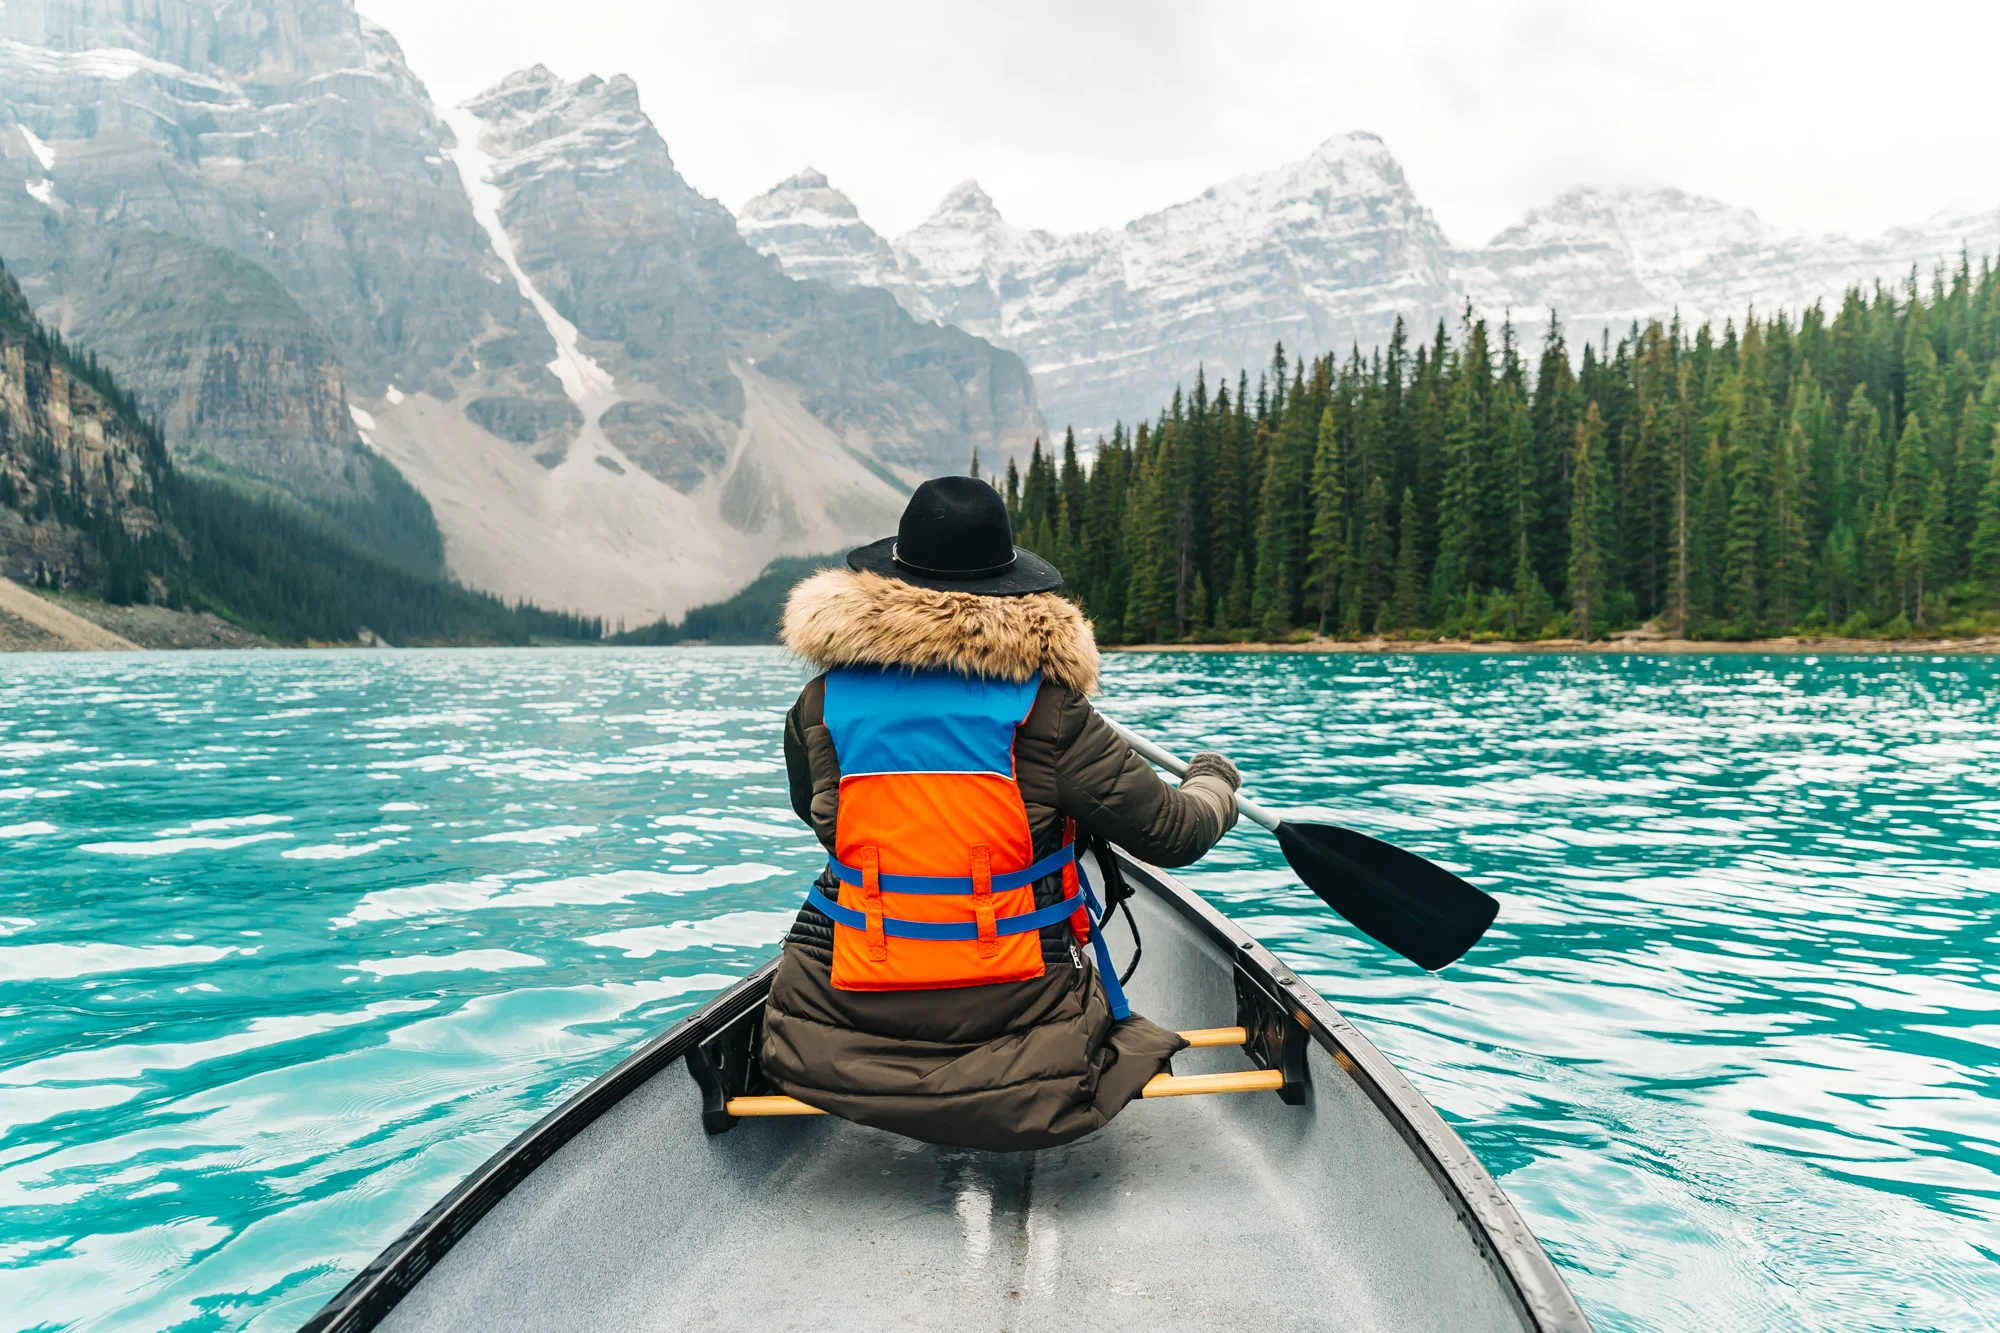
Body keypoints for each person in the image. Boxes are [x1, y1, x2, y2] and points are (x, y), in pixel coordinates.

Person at [759, 474, 1243, 1152]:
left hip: (825, 1034)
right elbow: (1173, 831)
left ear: (888, 580)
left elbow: (816, 816)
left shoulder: (820, 703)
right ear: (1010, 588)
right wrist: (1214, 781)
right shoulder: (1047, 710)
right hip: (1027, 1049)